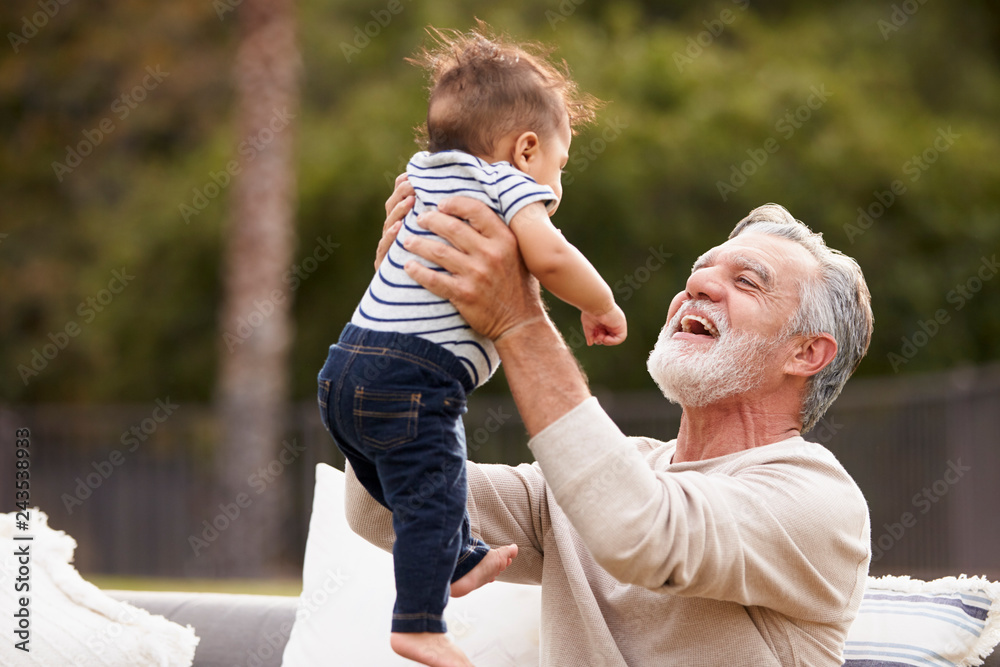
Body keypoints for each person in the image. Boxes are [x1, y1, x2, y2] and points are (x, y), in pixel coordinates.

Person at [347, 197, 874, 666]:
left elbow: (641, 532)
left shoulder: (819, 498)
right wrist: (400, 319)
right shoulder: (608, 475)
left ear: (806, 353)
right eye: (700, 271)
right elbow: (383, 507)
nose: (697, 285)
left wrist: (518, 319)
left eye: (746, 282)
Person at [317, 25, 626, 667]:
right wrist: (600, 303)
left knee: (423, 489)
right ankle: (419, 623)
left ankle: (458, 556)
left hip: (343, 369)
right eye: (559, 168)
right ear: (527, 149)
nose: (556, 186)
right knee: (434, 484)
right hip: (414, 378)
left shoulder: (422, 175)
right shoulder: (508, 186)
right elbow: (551, 254)